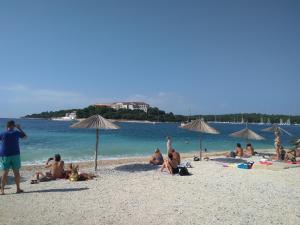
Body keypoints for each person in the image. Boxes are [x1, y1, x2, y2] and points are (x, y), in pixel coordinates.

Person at [0, 120, 27, 195]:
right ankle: (18, 189)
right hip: (15, 154)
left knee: (5, 172)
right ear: (13, 125)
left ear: (7, 126)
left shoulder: (2, 133)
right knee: (16, 172)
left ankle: (2, 190)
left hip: (4, 155)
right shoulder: (16, 132)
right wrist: (19, 128)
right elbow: (25, 137)